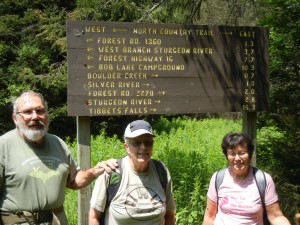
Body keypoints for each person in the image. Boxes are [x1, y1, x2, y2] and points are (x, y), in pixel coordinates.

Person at [0, 90, 118, 225]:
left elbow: (73, 181)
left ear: (46, 115)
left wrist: (94, 171)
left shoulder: (57, 143)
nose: (35, 117)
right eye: (28, 112)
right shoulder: (3, 146)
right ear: (15, 118)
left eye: (40, 111)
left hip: (56, 220)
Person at [89, 120, 176, 225]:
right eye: (137, 143)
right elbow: (94, 217)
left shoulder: (161, 171)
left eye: (148, 142)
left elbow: (170, 215)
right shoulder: (112, 172)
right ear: (127, 147)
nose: (143, 147)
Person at [203, 132, 291, 225]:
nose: (237, 158)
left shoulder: (263, 179)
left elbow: (276, 216)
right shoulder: (218, 178)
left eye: (242, 153)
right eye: (232, 154)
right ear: (227, 156)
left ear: (250, 155)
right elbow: (210, 216)